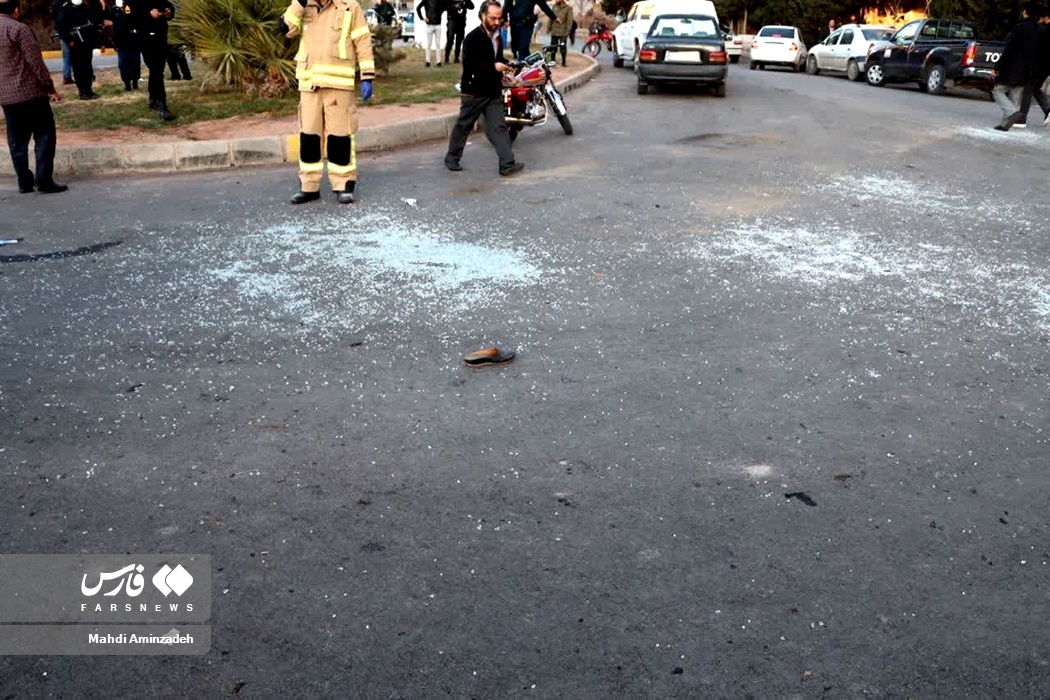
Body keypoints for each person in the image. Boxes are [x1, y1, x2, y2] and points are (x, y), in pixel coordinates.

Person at [281, 0, 375, 204]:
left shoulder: (349, 6)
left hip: (338, 84)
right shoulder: (302, 6)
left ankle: (344, 184)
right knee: (309, 137)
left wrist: (367, 75)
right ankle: (309, 187)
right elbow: (286, 29)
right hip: (310, 84)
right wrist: (299, 3)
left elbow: (362, 40)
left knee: (339, 137)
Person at [444, 0, 523, 176]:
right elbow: (471, 65)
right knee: (464, 126)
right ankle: (452, 158)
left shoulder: (497, 36)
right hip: (473, 91)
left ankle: (507, 165)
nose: (497, 22)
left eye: (499, 18)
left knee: (499, 127)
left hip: (492, 90)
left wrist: (508, 64)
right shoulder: (472, 38)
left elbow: (496, 58)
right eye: (493, 18)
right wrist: (493, 67)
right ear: (483, 16)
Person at [0, 0, 67, 194]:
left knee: (16, 142)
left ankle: (24, 182)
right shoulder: (19, 29)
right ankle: (44, 180)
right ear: (16, 10)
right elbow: (35, 62)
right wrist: (50, 88)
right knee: (44, 136)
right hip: (31, 94)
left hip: (7, 97)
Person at [993, 2, 1041, 131]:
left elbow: (1009, 49)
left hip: (1013, 68)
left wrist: (997, 67)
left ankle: (1013, 113)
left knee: (998, 91)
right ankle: (1005, 125)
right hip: (1028, 71)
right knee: (1015, 95)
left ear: (1025, 11)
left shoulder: (1020, 27)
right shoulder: (1040, 30)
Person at [134, 0, 176, 120]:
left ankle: (153, 99)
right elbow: (131, 16)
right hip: (145, 38)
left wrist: (169, 12)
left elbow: (167, 5)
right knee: (156, 69)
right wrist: (148, 14)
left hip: (161, 36)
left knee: (157, 70)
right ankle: (162, 103)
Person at [56, 0, 101, 99]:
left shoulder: (85, 7)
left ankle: (89, 90)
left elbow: (92, 23)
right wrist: (69, 41)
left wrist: (94, 40)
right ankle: (82, 91)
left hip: (86, 42)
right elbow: (61, 28)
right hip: (75, 43)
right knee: (78, 68)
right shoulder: (65, 9)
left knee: (87, 67)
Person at [1016, 11, 1050, 127]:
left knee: (1028, 88)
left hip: (1041, 66)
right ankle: (1048, 111)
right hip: (1044, 66)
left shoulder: (1044, 30)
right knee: (1034, 88)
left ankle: (1022, 118)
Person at [109, 0, 141, 90]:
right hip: (121, 42)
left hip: (133, 41)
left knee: (135, 62)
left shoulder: (132, 7)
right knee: (123, 64)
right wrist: (114, 43)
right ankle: (127, 84)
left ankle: (135, 81)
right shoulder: (114, 10)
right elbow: (110, 26)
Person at [416, 0, 445, 66]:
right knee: (430, 44)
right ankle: (428, 61)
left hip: (437, 25)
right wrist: (422, 18)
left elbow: (445, 7)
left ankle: (437, 62)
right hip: (430, 25)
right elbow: (418, 8)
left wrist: (440, 13)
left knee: (436, 44)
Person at [548, 0, 571, 66]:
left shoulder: (568, 8)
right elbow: (551, 17)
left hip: (563, 32)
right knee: (552, 47)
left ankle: (563, 62)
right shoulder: (554, 7)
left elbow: (569, 21)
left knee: (563, 47)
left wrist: (567, 31)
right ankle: (552, 61)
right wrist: (548, 27)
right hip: (554, 30)